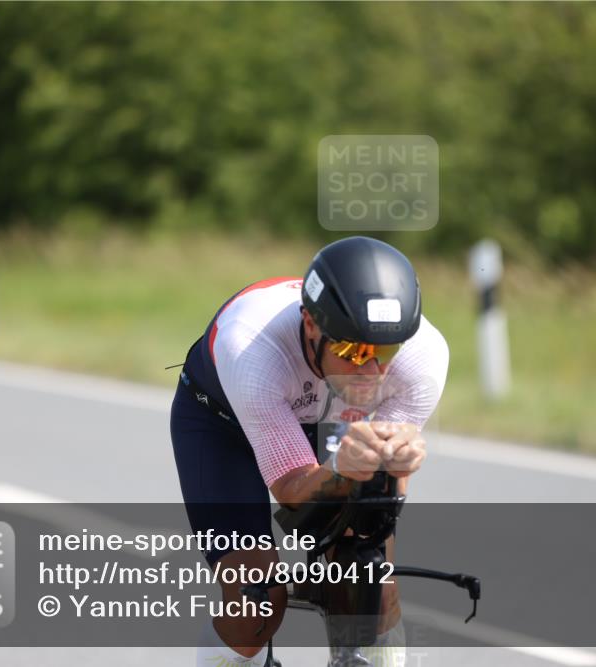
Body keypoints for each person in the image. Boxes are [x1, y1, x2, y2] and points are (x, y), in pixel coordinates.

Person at [170, 236, 449, 666]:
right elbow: (295, 494)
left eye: (384, 351)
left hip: (330, 422)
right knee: (255, 604)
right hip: (223, 425)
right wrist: (343, 469)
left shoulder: (423, 358)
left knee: (373, 592)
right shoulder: (251, 346)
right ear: (311, 324)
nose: (371, 372)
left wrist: (390, 466)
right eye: (353, 351)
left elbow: (380, 502)